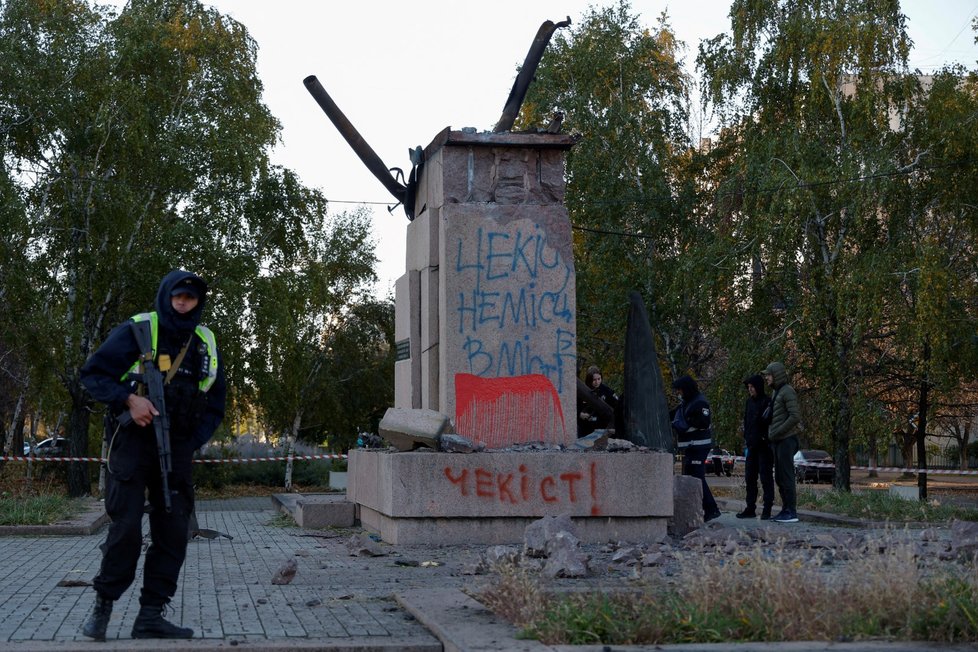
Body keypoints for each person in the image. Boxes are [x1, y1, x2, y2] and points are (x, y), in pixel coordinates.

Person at [80, 270, 227, 640]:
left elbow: (216, 402)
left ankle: (150, 616)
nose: (182, 303)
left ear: (198, 303)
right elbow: (93, 374)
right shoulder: (139, 329)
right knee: (126, 530)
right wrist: (130, 399)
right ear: (166, 295)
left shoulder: (204, 340)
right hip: (132, 444)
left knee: (174, 533)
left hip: (175, 449)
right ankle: (102, 607)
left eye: (190, 298)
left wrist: (191, 442)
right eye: (177, 296)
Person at [671, 375, 721, 521]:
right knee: (691, 477)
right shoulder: (687, 403)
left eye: (680, 390)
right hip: (691, 447)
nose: (678, 393)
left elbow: (703, 422)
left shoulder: (699, 403)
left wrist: (683, 424)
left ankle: (711, 509)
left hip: (698, 445)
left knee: (697, 478)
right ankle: (698, 509)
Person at [763, 361, 801, 523]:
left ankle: (791, 512)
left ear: (776, 375)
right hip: (778, 441)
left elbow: (795, 416)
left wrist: (778, 431)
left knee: (786, 476)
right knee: (779, 476)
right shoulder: (777, 392)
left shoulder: (787, 391)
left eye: (768, 375)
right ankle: (785, 509)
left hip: (787, 440)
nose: (766, 378)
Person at [736, 375, 775, 520]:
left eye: (752, 387)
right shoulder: (749, 402)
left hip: (764, 446)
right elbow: (747, 421)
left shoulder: (767, 401)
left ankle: (767, 508)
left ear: (758, 387)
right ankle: (750, 507)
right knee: (750, 478)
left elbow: (769, 421)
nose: (750, 390)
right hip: (752, 445)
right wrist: (747, 437)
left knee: (765, 478)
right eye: (748, 387)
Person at [577, 365, 619, 437]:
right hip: (585, 430)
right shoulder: (582, 391)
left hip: (602, 429)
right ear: (589, 380)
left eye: (599, 379)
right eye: (594, 380)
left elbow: (617, 407)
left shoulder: (607, 391)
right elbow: (575, 408)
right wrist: (580, 414)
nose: (597, 382)